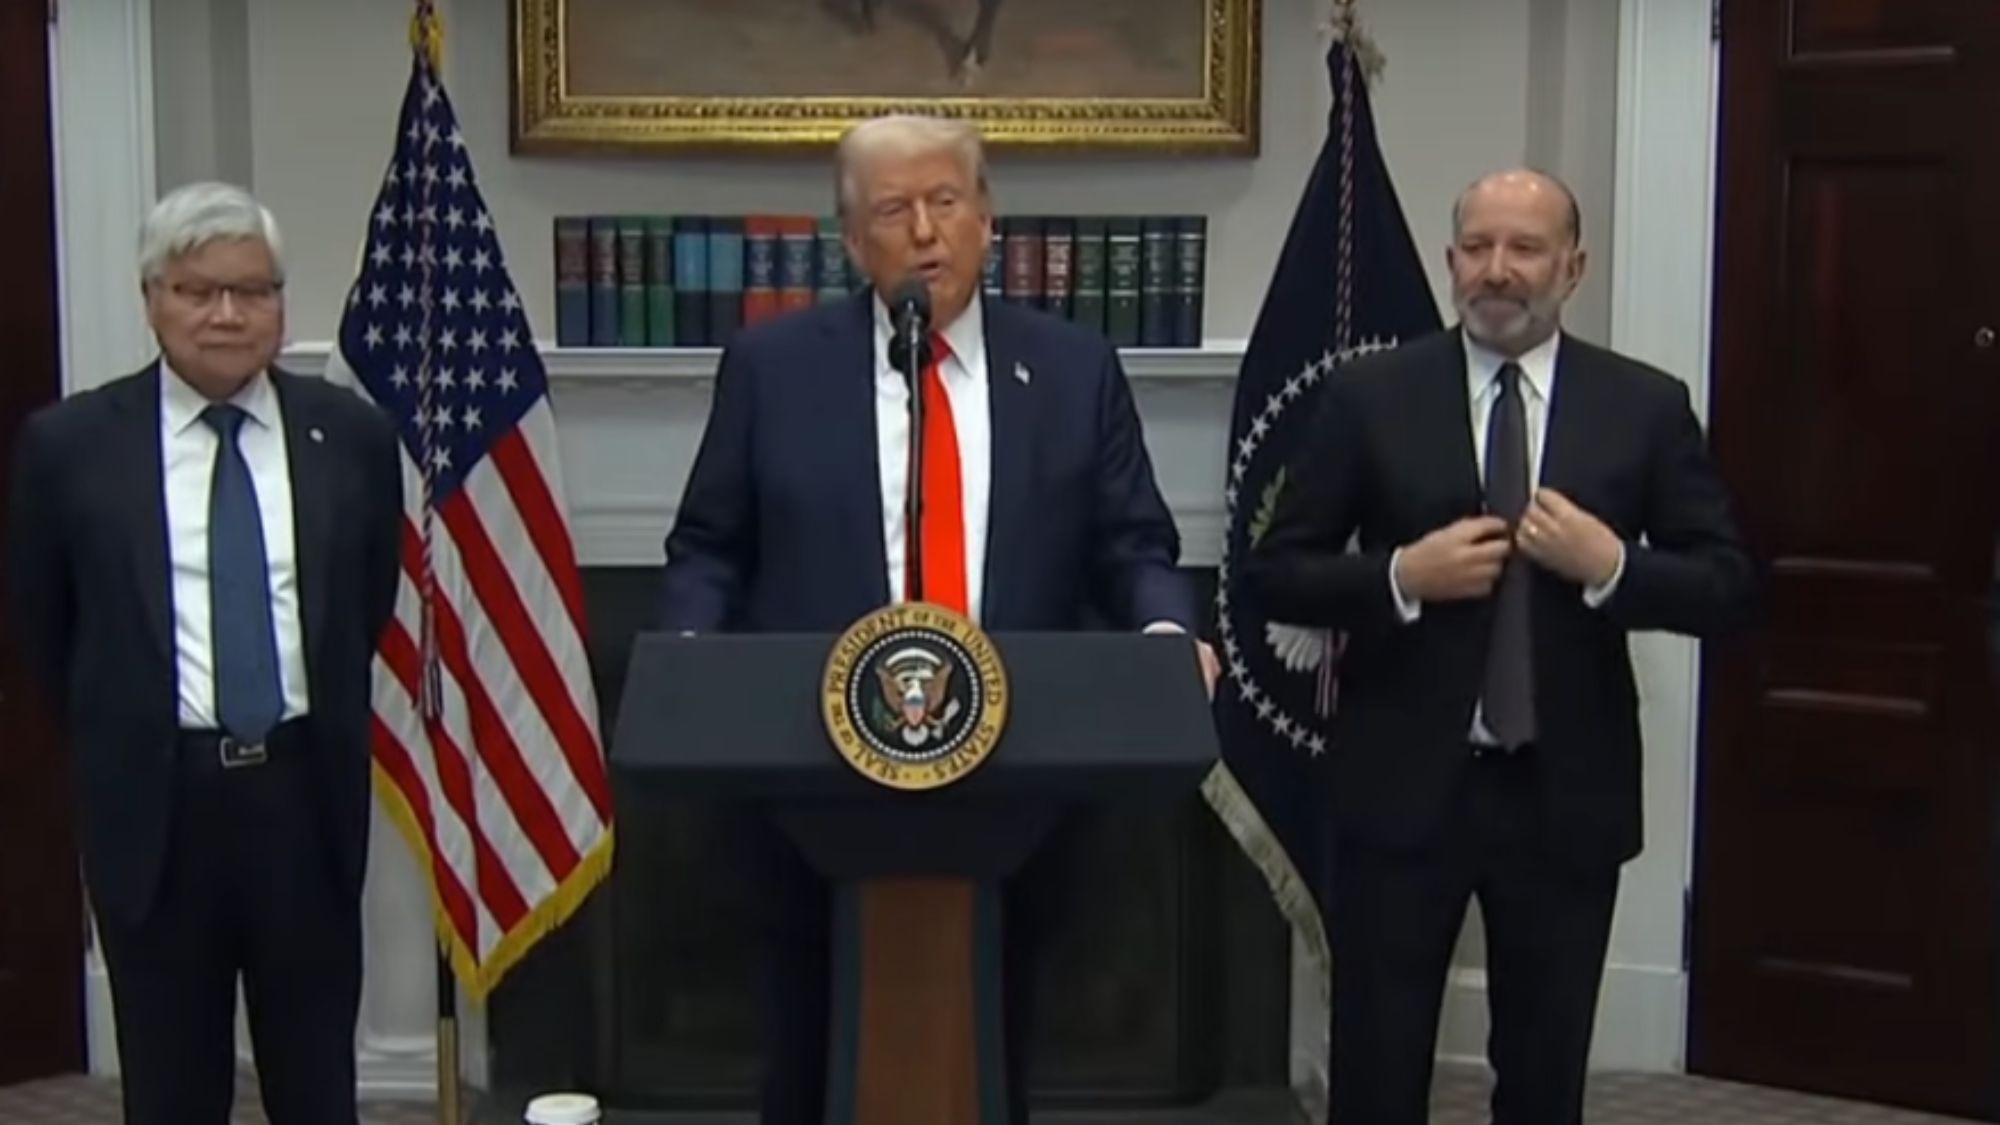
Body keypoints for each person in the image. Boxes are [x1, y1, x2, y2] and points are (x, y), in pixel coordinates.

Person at [655, 113, 1216, 1124]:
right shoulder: (772, 369)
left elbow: (1133, 545)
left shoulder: (1073, 368)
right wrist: (693, 658)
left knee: (994, 1050)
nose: (924, 232)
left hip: (1016, 786)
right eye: (892, 210)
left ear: (986, 219)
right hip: (811, 786)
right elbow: (710, 546)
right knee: (807, 1061)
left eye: (945, 202)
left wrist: (1166, 640)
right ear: (850, 240)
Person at [1241, 168, 1755, 1125]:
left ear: (1573, 267)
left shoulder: (1643, 405)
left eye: (1524, 248)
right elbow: (1273, 573)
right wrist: (1402, 575)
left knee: (1544, 1078)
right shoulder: (1371, 395)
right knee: (1378, 1071)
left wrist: (1612, 566)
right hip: (1402, 790)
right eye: (1477, 248)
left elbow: (1727, 587)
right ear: (1450, 261)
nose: (1497, 270)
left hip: (1566, 796)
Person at [7, 182, 403, 1125]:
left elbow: (363, 608)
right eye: (198, 291)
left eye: (252, 290)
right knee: (171, 1086)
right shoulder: (70, 446)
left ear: (279, 303)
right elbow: (47, 629)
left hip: (303, 800)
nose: (227, 314)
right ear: (152, 298)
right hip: (159, 807)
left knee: (317, 1083)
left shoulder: (350, 435)